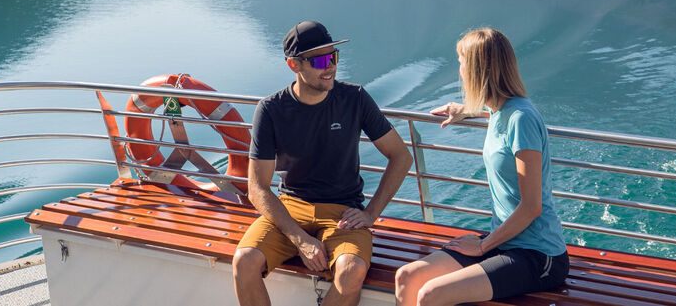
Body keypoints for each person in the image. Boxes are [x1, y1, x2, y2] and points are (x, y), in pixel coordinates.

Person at [233, 21, 413, 306]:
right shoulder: (271, 110)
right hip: (291, 208)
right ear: (294, 65)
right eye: (319, 60)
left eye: (333, 57)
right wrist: (299, 238)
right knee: (244, 261)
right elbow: (257, 188)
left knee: (352, 271)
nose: (330, 66)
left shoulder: (354, 98)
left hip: (344, 210)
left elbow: (401, 156)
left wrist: (371, 213)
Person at [394, 28, 568, 306]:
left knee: (431, 293)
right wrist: (465, 109)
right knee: (407, 277)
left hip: (537, 254)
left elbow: (532, 206)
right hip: (505, 241)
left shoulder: (521, 120)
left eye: (462, 62)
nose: (459, 70)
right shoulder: (499, 110)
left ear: (478, 70)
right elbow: (494, 109)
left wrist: (483, 245)